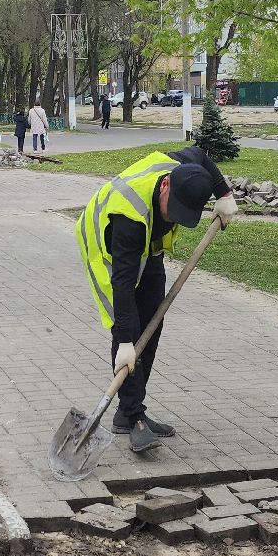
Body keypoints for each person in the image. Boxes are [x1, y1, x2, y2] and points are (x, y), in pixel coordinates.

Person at [76, 146, 239, 453]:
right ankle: (133, 415)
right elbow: (122, 285)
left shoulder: (184, 167)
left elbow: (202, 156)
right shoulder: (129, 215)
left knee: (153, 323)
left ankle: (127, 412)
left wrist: (224, 193)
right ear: (166, 185)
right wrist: (124, 341)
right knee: (132, 328)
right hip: (109, 249)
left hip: (149, 246)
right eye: (171, 208)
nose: (171, 216)